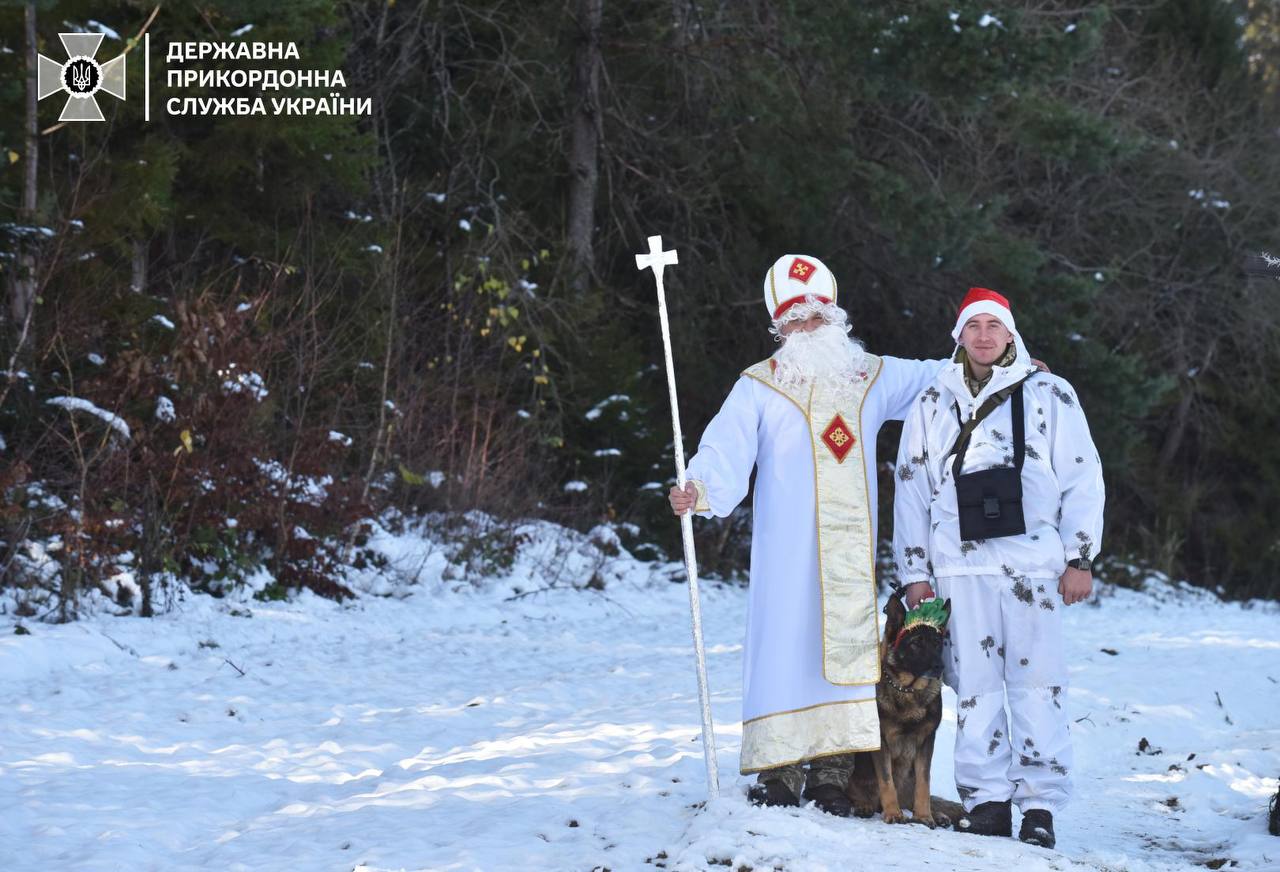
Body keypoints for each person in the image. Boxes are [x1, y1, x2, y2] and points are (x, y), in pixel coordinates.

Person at [667, 254, 952, 817]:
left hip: (850, 553)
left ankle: (832, 774)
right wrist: (698, 488)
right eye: (795, 318)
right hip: (786, 552)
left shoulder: (872, 375)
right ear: (779, 326)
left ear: (836, 318)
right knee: (784, 647)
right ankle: (779, 771)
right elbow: (725, 446)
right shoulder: (759, 386)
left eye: (817, 315)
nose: (807, 326)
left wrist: (995, 364)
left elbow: (937, 377)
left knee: (844, 656)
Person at [891, 287, 1104, 848]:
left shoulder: (1050, 393)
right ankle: (986, 801)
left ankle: (1039, 806)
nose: (984, 335)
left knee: (1038, 685)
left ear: (1011, 333)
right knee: (976, 687)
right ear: (958, 335)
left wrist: (1080, 556)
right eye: (973, 326)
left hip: (1033, 566)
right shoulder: (935, 402)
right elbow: (911, 486)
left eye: (994, 325)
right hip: (958, 568)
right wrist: (915, 570)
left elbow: (1083, 475)